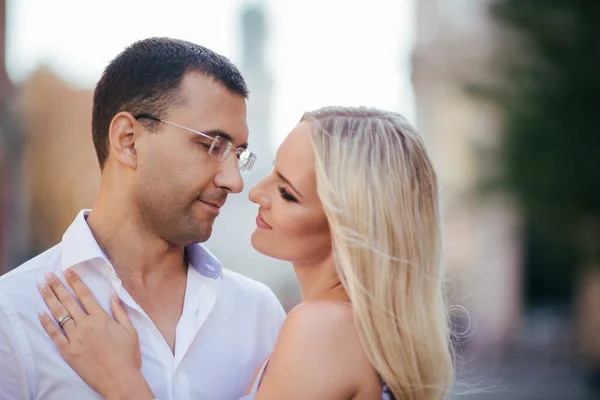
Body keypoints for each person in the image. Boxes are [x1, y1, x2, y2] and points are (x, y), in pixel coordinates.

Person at [38, 106, 456, 400]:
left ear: (352, 225)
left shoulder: (322, 329)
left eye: (287, 193)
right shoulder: (348, 327)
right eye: (271, 171)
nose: (253, 191)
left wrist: (120, 382)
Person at [0, 37, 286, 400]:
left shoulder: (260, 315)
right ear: (128, 140)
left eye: (238, 154)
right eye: (212, 145)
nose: (235, 180)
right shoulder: (13, 315)